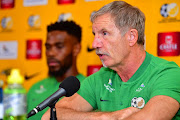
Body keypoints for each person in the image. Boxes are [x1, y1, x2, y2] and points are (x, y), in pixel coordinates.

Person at [42, 1, 180, 120]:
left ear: (131, 37)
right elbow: (49, 116)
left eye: (104, 33)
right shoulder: (101, 78)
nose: (94, 44)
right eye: (94, 34)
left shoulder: (168, 74)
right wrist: (106, 116)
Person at [27, 20, 86, 120]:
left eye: (59, 46)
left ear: (76, 48)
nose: (51, 53)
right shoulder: (34, 88)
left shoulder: (88, 86)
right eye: (48, 47)